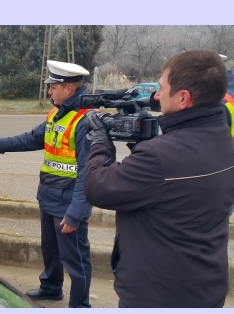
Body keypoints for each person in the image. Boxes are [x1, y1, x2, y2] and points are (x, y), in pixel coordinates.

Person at [83, 49, 234, 307]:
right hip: (207, 287)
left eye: (162, 88)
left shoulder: (159, 156)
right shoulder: (225, 142)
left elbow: (97, 187)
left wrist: (100, 145)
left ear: (183, 98)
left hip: (156, 295)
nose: (157, 95)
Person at [0, 60, 92, 308]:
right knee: (51, 250)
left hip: (68, 203)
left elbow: (89, 172)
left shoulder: (85, 121)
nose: (49, 91)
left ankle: (80, 306)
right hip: (49, 196)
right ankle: (51, 288)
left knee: (76, 259)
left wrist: (76, 212)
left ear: (69, 89)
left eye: (53, 87)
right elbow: (32, 138)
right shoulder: (57, 113)